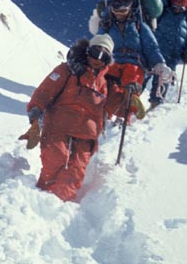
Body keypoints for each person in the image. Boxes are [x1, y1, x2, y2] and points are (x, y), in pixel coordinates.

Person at [19, 34, 116, 202]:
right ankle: (41, 199)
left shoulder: (104, 83)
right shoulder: (67, 70)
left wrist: (125, 96)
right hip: (59, 124)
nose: (98, 59)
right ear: (87, 51)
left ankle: (59, 205)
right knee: (55, 158)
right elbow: (45, 90)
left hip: (86, 134)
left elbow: (105, 109)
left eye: (104, 56)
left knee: (75, 171)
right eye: (95, 52)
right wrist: (36, 109)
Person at [98, 0, 172, 120]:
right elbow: (99, 43)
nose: (119, 15)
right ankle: (105, 115)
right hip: (114, 60)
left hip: (135, 62)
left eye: (123, 11)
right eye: (116, 11)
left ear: (129, 9)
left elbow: (151, 46)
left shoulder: (139, 26)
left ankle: (128, 111)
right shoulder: (108, 25)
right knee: (108, 86)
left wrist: (159, 63)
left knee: (131, 82)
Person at [149, 0, 187, 108]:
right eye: (175, 6)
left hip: (172, 55)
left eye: (181, 7)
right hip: (155, 50)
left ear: (185, 6)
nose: (177, 9)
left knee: (163, 79)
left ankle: (155, 103)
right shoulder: (163, 12)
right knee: (143, 74)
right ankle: (132, 102)